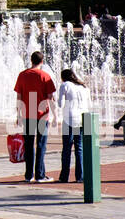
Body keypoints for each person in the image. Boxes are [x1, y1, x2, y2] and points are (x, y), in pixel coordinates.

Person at [14, 51, 57, 183]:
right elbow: (50, 98)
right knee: (41, 145)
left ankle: (28, 175)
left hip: (27, 115)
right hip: (42, 115)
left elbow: (19, 97)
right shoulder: (45, 76)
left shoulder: (22, 75)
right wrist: (55, 116)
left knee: (28, 145)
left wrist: (18, 115)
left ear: (31, 60)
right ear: (42, 62)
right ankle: (40, 175)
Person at [56, 68, 91, 183]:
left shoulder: (65, 85)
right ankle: (80, 177)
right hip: (82, 118)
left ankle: (64, 176)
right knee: (79, 148)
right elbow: (89, 104)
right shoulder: (83, 87)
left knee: (66, 148)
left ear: (63, 77)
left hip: (69, 119)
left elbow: (60, 104)